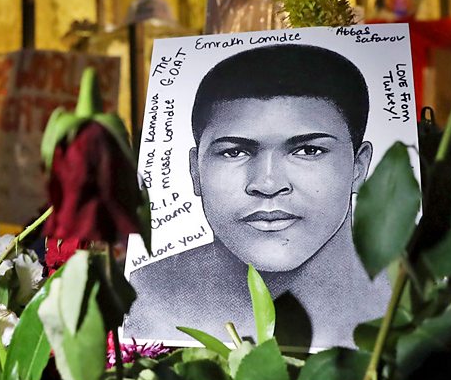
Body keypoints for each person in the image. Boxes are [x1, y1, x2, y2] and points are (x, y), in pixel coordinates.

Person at [125, 44, 391, 349]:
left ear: (359, 166)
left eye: (308, 150)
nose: (268, 183)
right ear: (195, 171)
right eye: (234, 152)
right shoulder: (144, 296)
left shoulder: (414, 297)